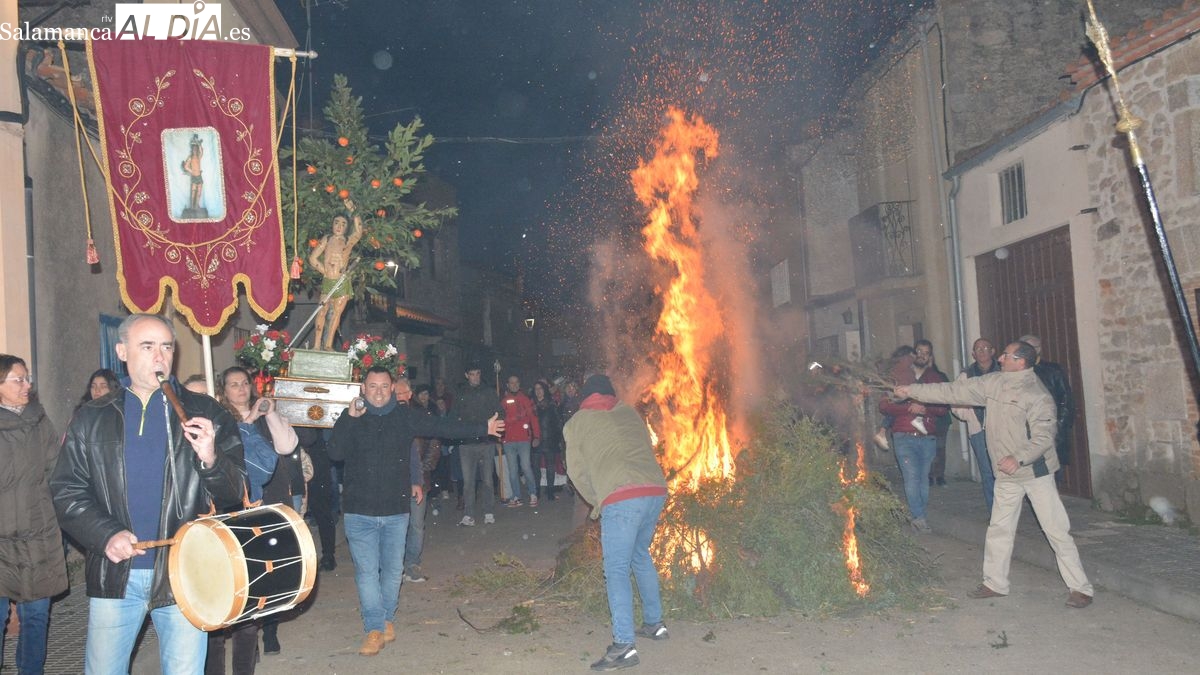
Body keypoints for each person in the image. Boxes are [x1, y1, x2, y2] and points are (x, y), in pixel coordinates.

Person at [51, 313, 246, 675]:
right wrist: (104, 534)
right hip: (116, 572)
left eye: (166, 346)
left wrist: (211, 457)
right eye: (148, 346)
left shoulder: (206, 412)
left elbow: (236, 493)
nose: (160, 356)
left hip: (185, 571)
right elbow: (66, 489)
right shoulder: (92, 417)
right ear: (122, 351)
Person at [897, 341, 1094, 609]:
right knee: (999, 528)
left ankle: (1080, 588)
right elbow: (954, 390)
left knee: (1056, 530)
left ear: (1021, 362)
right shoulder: (995, 382)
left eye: (1006, 355)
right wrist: (911, 390)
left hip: (1035, 472)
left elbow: (1044, 437)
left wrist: (1020, 457)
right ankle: (995, 583)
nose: (999, 358)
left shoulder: (1037, 394)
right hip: (1006, 473)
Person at [330, 367, 504, 656]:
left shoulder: (404, 417)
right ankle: (374, 627)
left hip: (396, 511)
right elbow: (335, 453)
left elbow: (443, 427)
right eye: (372, 386)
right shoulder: (353, 419)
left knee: (393, 570)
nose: (378, 391)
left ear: (392, 389)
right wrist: (348, 418)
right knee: (366, 572)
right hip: (359, 512)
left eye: (384, 386)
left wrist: (481, 428)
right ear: (363, 389)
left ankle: (387, 620)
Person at [565, 375, 670, 672]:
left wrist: (598, 501)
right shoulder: (628, 412)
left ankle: (624, 646)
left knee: (616, 569)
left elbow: (576, 472)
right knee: (640, 555)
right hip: (655, 490)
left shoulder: (576, 423)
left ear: (584, 396)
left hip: (621, 495)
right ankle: (655, 624)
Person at [209, 366, 300, 666]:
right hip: (237, 505)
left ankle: (269, 630)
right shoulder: (221, 421)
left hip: (270, 497)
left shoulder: (262, 415)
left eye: (245, 383)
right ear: (223, 390)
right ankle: (248, 639)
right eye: (233, 384)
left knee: (269, 569)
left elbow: (286, 446)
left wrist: (270, 414)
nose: (241, 389)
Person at [1, 354, 69, 675]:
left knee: (37, 616)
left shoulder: (40, 421)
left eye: (27, 379)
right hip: (0, 539)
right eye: (18, 379)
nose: (27, 385)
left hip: (40, 535)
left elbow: (57, 474)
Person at [878, 339, 948, 533]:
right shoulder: (898, 376)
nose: (921, 355)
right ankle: (918, 517)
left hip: (927, 437)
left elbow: (943, 408)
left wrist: (926, 408)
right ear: (913, 354)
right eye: (918, 351)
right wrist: (908, 407)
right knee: (911, 477)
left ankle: (919, 514)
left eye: (926, 352)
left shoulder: (934, 378)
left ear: (930, 357)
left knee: (923, 479)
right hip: (904, 436)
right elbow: (884, 405)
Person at [308, 198, 363, 352]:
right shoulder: (327, 239)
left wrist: (353, 209)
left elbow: (359, 232)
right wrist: (324, 270)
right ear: (332, 224)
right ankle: (317, 345)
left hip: (342, 282)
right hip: (328, 281)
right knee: (322, 311)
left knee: (336, 315)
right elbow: (313, 258)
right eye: (336, 222)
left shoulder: (348, 240)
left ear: (347, 227)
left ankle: (328, 345)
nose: (339, 226)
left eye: (343, 224)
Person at [953, 338, 1000, 509]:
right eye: (978, 349)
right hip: (979, 431)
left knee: (1003, 471)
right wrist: (969, 415)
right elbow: (955, 399)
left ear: (993, 351)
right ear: (973, 353)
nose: (982, 351)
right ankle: (993, 510)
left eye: (985, 348)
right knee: (987, 472)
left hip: (1002, 430)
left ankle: (1007, 511)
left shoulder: (1003, 371)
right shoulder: (967, 375)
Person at [1019, 334, 1075, 477]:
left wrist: (1058, 428)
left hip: (1048, 429)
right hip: (1023, 432)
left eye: (1035, 347)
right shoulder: (1013, 372)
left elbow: (1066, 400)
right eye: (1027, 347)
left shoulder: (1052, 370)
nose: (1032, 350)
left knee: (1051, 472)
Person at [455, 365, 503, 527]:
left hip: (485, 442)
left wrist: (497, 431)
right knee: (468, 482)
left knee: (488, 480)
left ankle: (488, 511)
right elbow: (453, 417)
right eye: (472, 374)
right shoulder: (460, 394)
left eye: (478, 374)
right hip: (466, 444)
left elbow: (499, 413)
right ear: (466, 375)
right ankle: (469, 514)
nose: (475, 377)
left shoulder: (489, 392)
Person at [403, 384, 441, 583]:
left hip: (419, 480)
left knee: (416, 524)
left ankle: (412, 564)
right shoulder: (389, 417)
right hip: (396, 482)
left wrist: (423, 468)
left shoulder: (420, 416)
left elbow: (434, 443)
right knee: (398, 525)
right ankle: (396, 566)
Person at [500, 374, 540, 507]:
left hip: (523, 439)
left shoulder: (525, 400)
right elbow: (502, 419)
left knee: (526, 466)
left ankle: (532, 493)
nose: (514, 385)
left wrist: (537, 436)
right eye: (511, 383)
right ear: (507, 384)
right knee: (512, 470)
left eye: (516, 382)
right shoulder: (504, 401)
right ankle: (516, 495)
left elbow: (533, 418)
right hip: (509, 440)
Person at [531, 379, 563, 501]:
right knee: (536, 467)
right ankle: (537, 490)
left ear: (544, 390)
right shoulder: (532, 405)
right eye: (536, 389)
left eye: (540, 388)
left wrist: (558, 437)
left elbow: (558, 422)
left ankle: (550, 491)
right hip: (536, 440)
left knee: (550, 466)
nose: (538, 391)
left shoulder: (551, 404)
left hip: (550, 440)